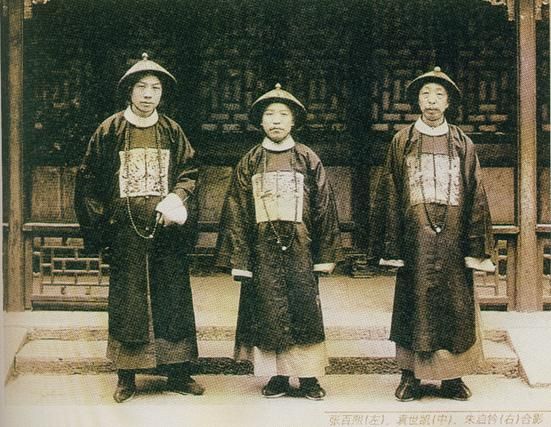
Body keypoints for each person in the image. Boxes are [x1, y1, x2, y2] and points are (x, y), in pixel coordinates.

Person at [74, 53, 204, 403]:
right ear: (129, 91)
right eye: (141, 87)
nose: (148, 94)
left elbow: (189, 173)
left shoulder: (172, 131)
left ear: (162, 93)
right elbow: (89, 181)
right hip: (126, 233)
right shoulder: (110, 129)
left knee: (171, 297)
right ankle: (127, 375)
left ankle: (178, 371)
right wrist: (105, 226)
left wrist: (176, 200)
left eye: (155, 88)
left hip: (166, 231)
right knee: (128, 300)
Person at [368, 67, 495, 401]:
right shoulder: (402, 141)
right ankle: (410, 376)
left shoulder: (463, 143)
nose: (432, 101)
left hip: (453, 238)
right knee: (414, 303)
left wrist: (474, 245)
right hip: (415, 240)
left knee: (454, 305)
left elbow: (476, 194)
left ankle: (452, 378)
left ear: (449, 102)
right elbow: (390, 191)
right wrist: (393, 244)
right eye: (426, 94)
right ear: (417, 101)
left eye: (439, 94)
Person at [216, 84, 341, 400]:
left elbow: (324, 207)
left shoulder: (307, 158)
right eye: (269, 114)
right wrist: (240, 259)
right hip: (263, 252)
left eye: (283, 115)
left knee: (304, 311)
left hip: (300, 249)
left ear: (293, 121)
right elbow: (237, 209)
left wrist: (324, 254)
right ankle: (278, 377)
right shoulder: (250, 161)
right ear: (260, 121)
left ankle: (309, 377)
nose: (276, 121)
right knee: (268, 312)